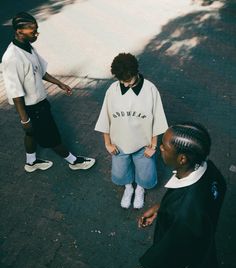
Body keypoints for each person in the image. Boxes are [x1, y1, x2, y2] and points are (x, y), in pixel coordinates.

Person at [130, 122, 226, 268]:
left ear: (182, 159)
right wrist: (162, 208)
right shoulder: (211, 172)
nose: (160, 147)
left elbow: (172, 254)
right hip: (204, 250)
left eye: (164, 147)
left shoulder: (184, 215)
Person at [2, 12, 95, 172]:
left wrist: (59, 83)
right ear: (19, 31)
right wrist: (25, 120)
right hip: (33, 108)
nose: (36, 34)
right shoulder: (12, 58)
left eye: (36, 30)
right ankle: (74, 162)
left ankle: (31, 163)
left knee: (31, 135)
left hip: (39, 104)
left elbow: (40, 70)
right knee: (52, 137)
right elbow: (15, 93)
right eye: (32, 32)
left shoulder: (28, 47)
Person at [95, 53, 168, 209]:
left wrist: (153, 145)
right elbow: (105, 118)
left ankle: (140, 188)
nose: (125, 84)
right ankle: (129, 188)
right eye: (122, 80)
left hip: (143, 145)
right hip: (119, 144)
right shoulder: (112, 90)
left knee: (146, 175)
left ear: (136, 72)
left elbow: (157, 119)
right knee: (121, 173)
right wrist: (107, 143)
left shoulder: (150, 89)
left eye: (128, 80)